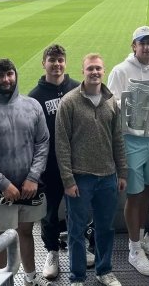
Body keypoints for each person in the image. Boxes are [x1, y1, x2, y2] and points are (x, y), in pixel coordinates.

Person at [0, 58, 54, 286]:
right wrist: (3, 184)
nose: (6, 80)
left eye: (10, 74)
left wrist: (33, 177)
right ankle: (1, 282)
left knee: (26, 232)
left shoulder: (32, 106)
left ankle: (30, 278)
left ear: (16, 75)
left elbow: (43, 142)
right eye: (0, 75)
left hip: (29, 187)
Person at [55, 53, 128, 286]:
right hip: (80, 178)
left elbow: (118, 139)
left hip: (108, 177)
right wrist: (68, 179)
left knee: (105, 228)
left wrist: (122, 172)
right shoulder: (69, 102)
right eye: (90, 69)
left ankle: (104, 270)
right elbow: (62, 143)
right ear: (83, 71)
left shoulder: (110, 101)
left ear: (103, 70)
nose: (94, 72)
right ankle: (77, 277)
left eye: (98, 68)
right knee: (76, 231)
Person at [28, 45, 94, 280]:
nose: (56, 64)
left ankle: (81, 246)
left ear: (66, 63)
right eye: (52, 60)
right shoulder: (34, 97)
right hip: (49, 167)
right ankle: (52, 251)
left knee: (80, 209)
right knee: (49, 213)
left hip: (77, 163)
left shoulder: (78, 88)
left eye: (60, 60)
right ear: (43, 63)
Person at [107, 26, 149, 276]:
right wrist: (134, 102)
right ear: (133, 46)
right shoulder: (120, 70)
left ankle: (141, 237)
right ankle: (133, 250)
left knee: (148, 191)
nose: (147, 47)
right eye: (142, 43)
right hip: (130, 140)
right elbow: (110, 103)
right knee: (134, 194)